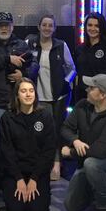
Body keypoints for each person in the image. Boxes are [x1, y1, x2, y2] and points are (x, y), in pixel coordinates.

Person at [61, 74, 106, 211]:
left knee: (92, 164)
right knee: (71, 206)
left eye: (91, 88)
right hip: (87, 161)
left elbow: (98, 151)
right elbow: (65, 128)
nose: (87, 90)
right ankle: (97, 188)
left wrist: (69, 152)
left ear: (102, 95)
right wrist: (75, 141)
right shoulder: (82, 105)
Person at [25, 14, 75, 180]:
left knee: (58, 130)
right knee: (41, 131)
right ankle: (40, 164)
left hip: (59, 97)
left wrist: (65, 82)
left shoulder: (61, 46)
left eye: (50, 25)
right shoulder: (30, 44)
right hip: (39, 97)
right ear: (39, 27)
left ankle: (57, 164)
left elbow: (72, 68)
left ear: (54, 29)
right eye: (44, 25)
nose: (47, 28)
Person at [0, 12, 37, 151]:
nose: (3, 28)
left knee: (21, 141)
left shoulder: (22, 45)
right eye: (0, 25)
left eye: (7, 25)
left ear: (12, 26)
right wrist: (7, 59)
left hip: (19, 103)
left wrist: (23, 75)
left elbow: (35, 65)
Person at [0, 78, 56, 211]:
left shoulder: (45, 116)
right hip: (15, 171)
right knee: (16, 210)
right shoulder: (7, 118)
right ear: (17, 95)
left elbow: (48, 151)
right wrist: (18, 178)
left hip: (37, 171)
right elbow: (7, 151)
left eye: (31, 91)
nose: (28, 94)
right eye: (23, 91)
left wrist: (34, 179)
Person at [75, 12, 106, 103]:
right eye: (90, 25)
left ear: (102, 28)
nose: (92, 28)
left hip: (102, 98)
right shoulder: (79, 49)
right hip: (82, 97)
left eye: (97, 26)